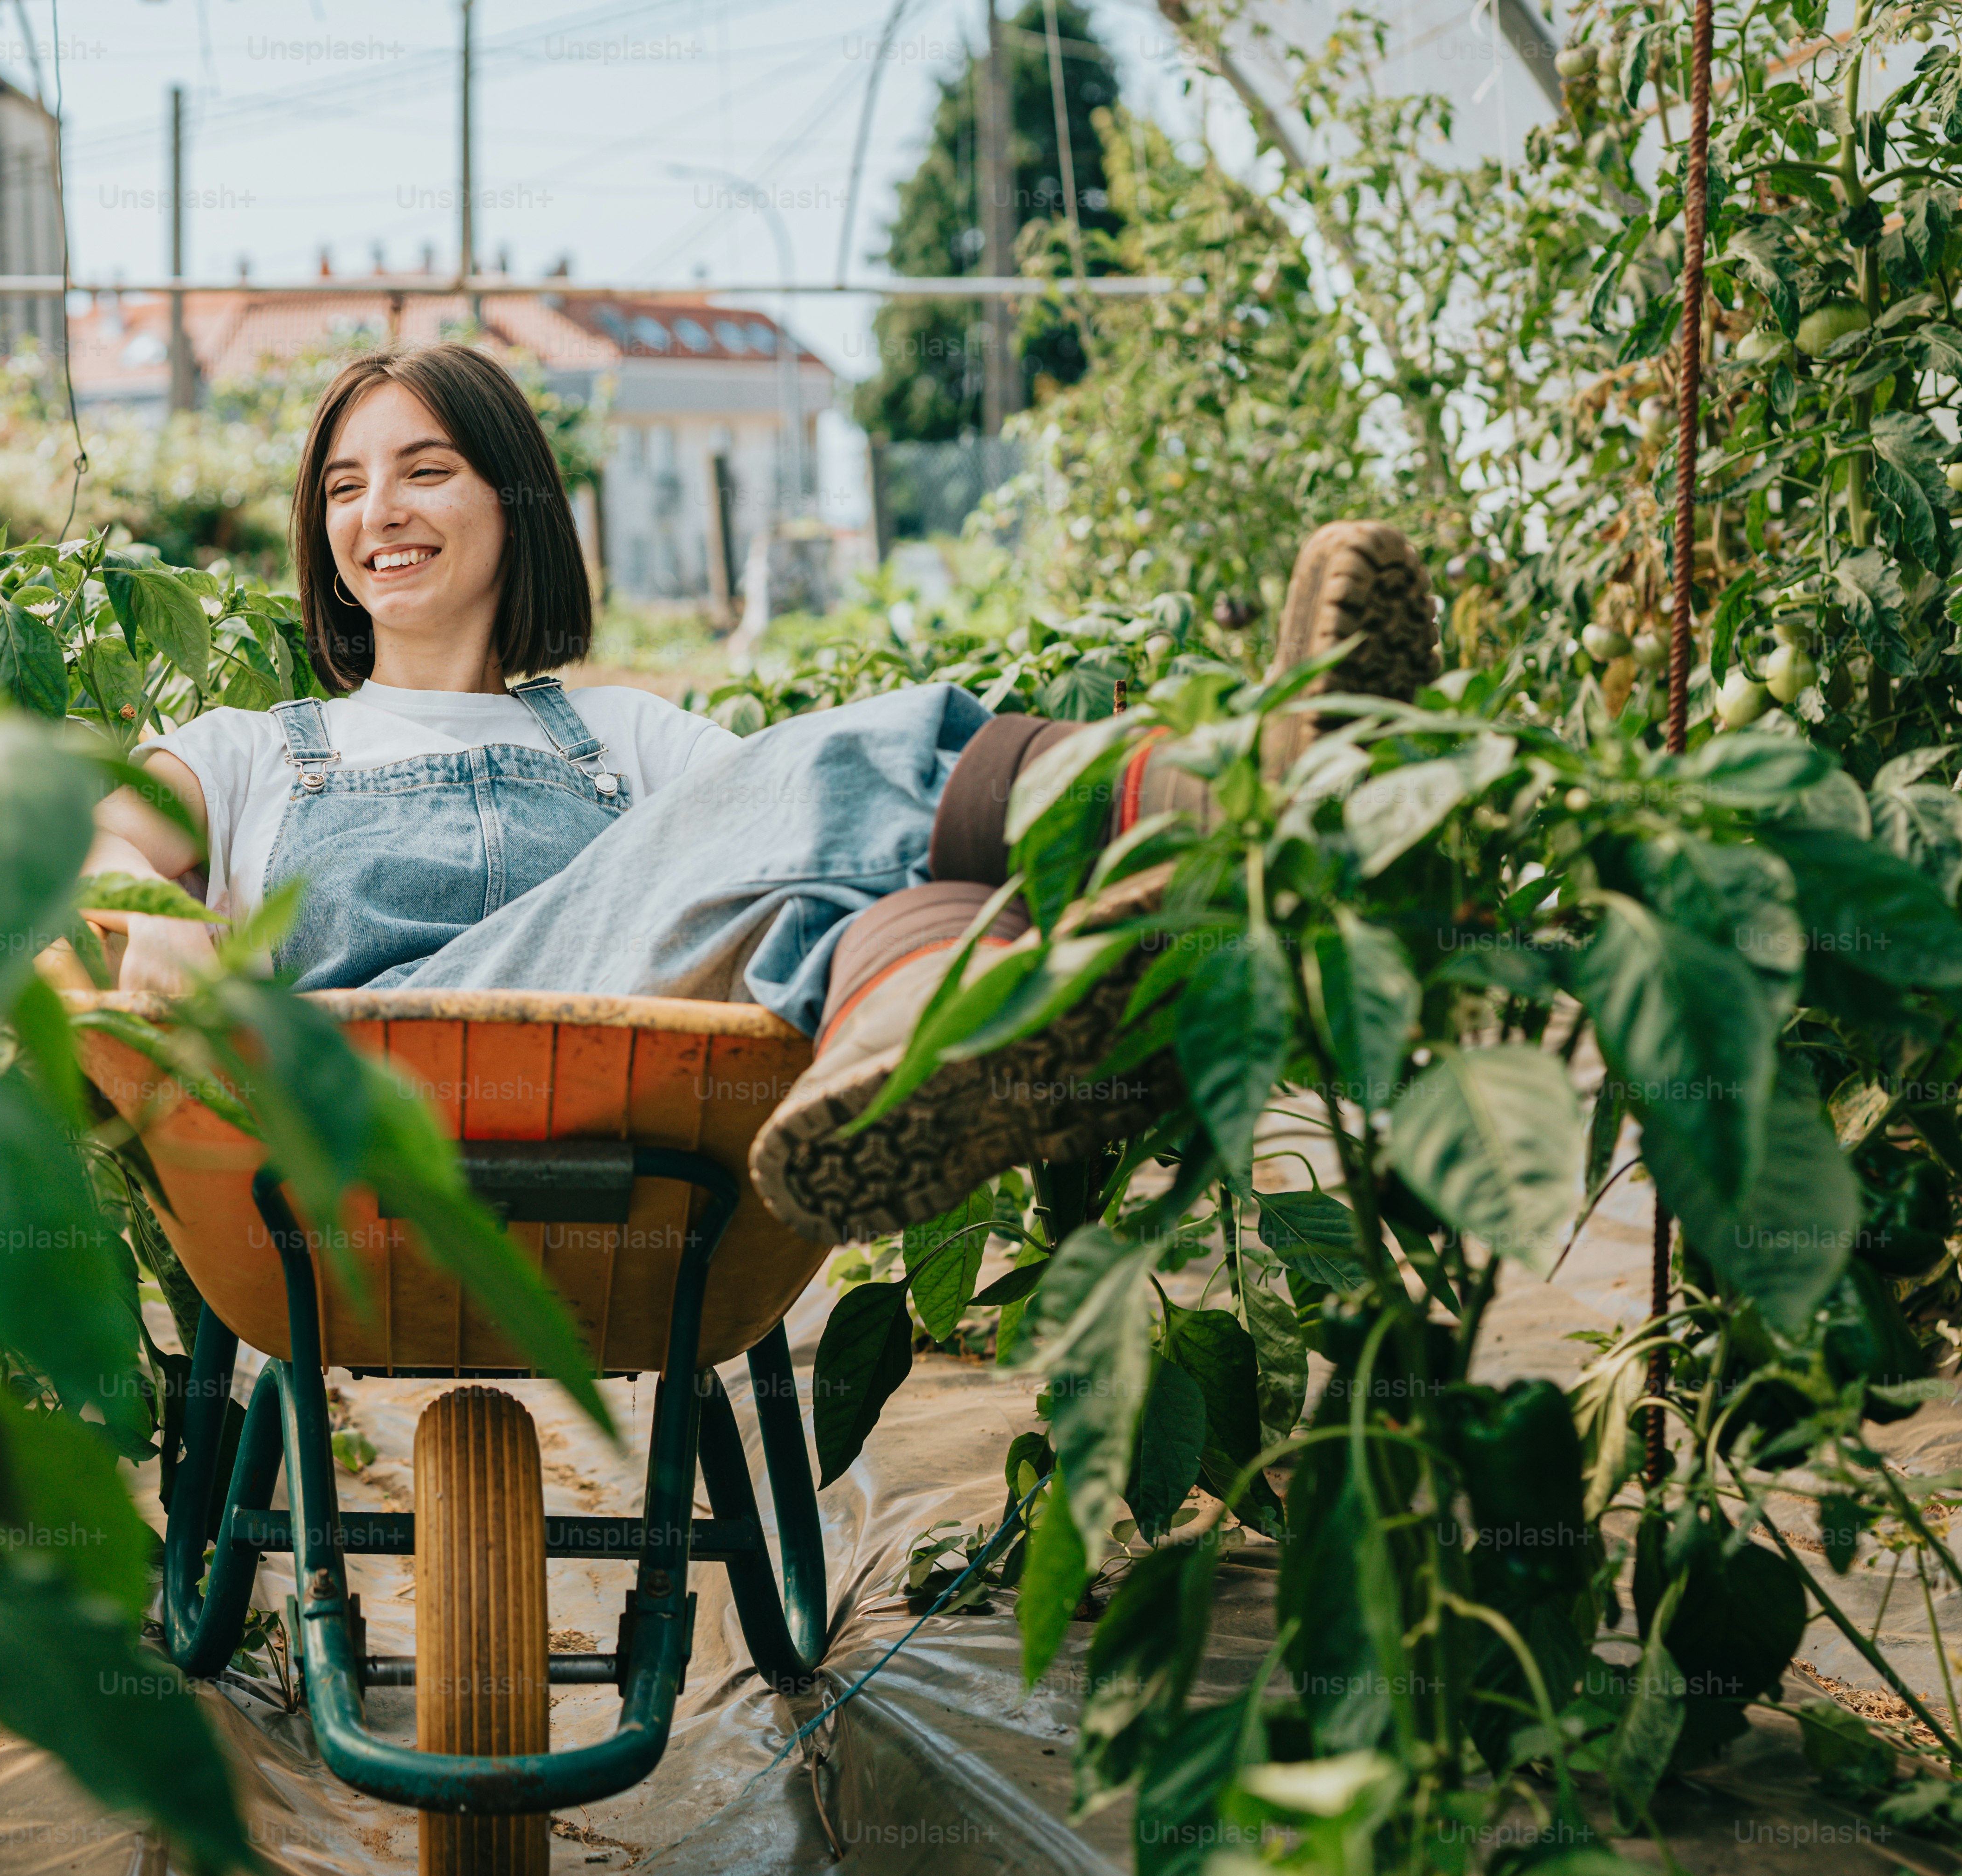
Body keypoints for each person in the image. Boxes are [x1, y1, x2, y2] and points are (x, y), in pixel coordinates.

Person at [83, 342, 1436, 1243]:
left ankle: (926, 1038)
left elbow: (826, 843)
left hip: (610, 1101)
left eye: (424, 469)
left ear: (516, 502)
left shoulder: (616, 730)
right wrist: (150, 914)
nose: (378, 509)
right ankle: (1215, 792)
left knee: (817, 863)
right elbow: (103, 849)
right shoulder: (255, 745)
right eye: (342, 486)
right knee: (817, 769)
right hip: (370, 1086)